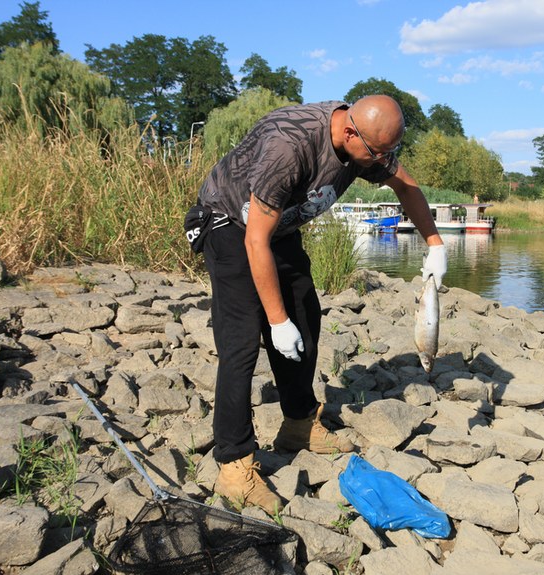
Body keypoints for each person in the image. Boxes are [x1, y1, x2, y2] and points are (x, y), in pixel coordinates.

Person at [184, 95, 447, 512]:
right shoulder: (289, 147)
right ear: (348, 132)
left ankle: (299, 424)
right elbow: (255, 241)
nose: (382, 162)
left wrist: (434, 244)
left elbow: (405, 184)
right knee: (241, 342)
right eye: (377, 154)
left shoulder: (366, 141)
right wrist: (275, 320)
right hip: (231, 226)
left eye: (388, 153)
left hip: (278, 231)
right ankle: (234, 464)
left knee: (305, 320)